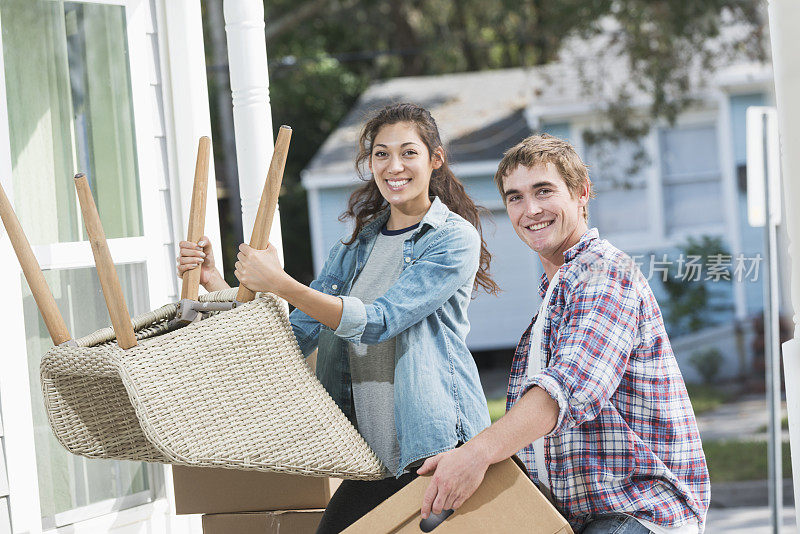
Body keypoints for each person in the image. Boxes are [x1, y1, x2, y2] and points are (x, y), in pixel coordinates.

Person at [177, 103, 498, 533]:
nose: (393, 166)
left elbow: (380, 320)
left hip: (436, 450)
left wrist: (282, 283)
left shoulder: (452, 238)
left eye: (408, 152)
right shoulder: (356, 246)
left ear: (434, 159)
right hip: (373, 457)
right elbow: (293, 336)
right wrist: (214, 281)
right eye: (381, 154)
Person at [417, 134, 710, 533]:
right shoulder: (557, 295)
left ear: (581, 193)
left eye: (544, 191)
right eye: (515, 197)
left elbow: (567, 388)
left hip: (639, 513)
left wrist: (477, 454)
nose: (530, 209)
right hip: (582, 519)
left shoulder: (605, 274)